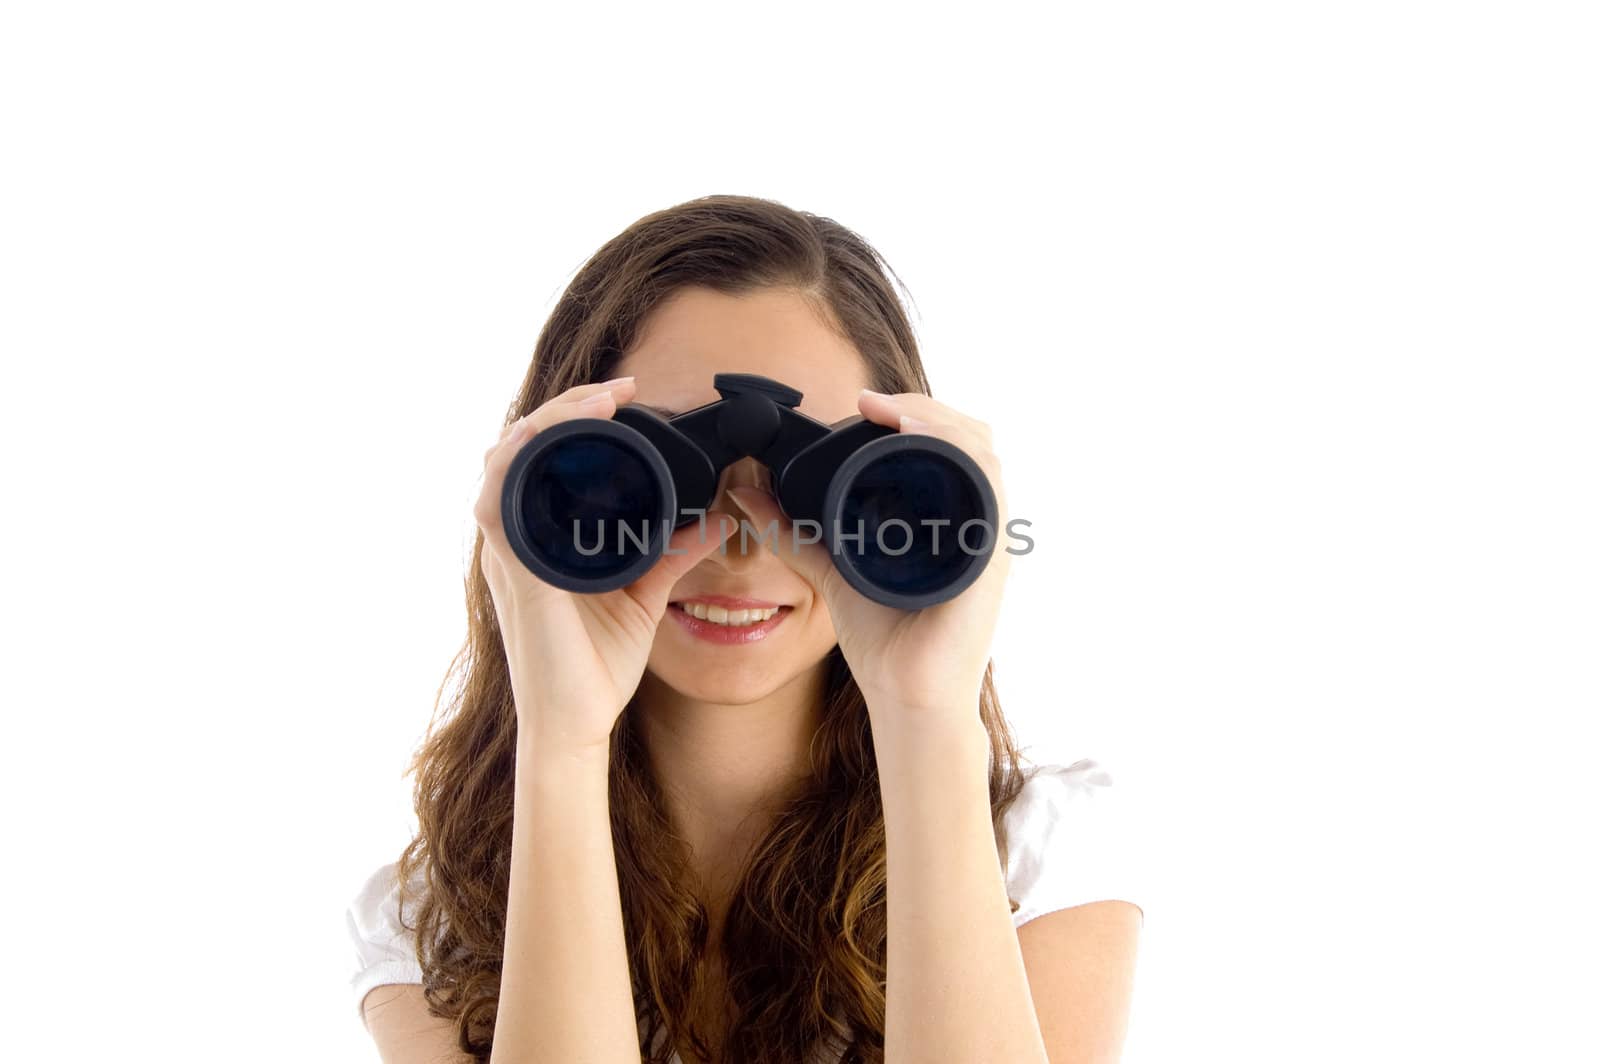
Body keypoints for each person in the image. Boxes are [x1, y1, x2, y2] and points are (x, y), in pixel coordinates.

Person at [345, 194, 1144, 1064]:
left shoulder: (1039, 857)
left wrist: (925, 716)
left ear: (911, 480)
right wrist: (562, 743)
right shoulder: (436, 914)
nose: (741, 539)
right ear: (551, 482)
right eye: (657, 469)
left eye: (821, 476)